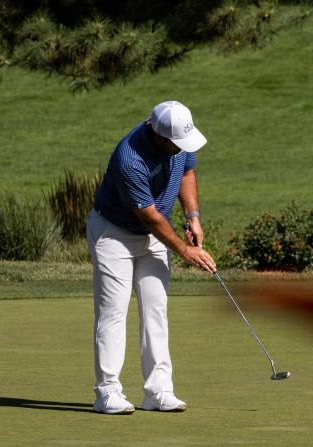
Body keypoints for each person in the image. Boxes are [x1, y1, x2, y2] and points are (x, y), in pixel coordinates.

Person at [87, 100, 217, 415]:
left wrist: (193, 216)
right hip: (114, 234)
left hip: (154, 233)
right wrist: (186, 250)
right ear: (159, 137)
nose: (182, 147)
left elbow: (187, 170)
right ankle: (107, 393)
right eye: (176, 144)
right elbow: (150, 218)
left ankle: (157, 392)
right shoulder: (129, 159)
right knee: (113, 312)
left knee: (155, 310)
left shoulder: (178, 139)